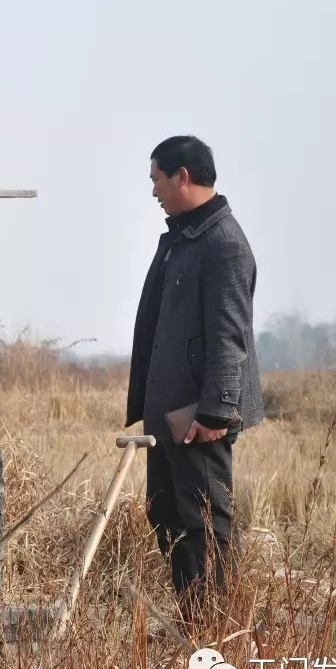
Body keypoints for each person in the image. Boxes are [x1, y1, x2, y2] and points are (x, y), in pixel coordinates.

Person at [127, 135, 264, 628]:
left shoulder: (223, 245)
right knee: (166, 514)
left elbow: (229, 336)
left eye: (156, 179)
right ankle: (193, 617)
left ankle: (216, 626)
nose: (153, 190)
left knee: (205, 521)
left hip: (199, 416)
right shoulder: (186, 238)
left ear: (181, 176)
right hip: (170, 412)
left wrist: (216, 413)